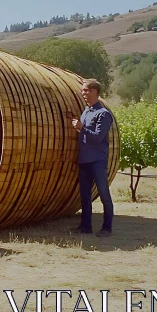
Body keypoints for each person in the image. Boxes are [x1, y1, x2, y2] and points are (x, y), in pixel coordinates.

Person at [70, 78, 114, 237]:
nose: (83, 93)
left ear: (95, 92)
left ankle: (107, 228)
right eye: (82, 90)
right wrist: (79, 129)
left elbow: (97, 137)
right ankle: (85, 226)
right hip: (84, 160)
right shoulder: (86, 112)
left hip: (97, 161)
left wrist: (82, 128)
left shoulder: (103, 114)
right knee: (85, 196)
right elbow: (86, 135)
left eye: (86, 90)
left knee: (104, 195)